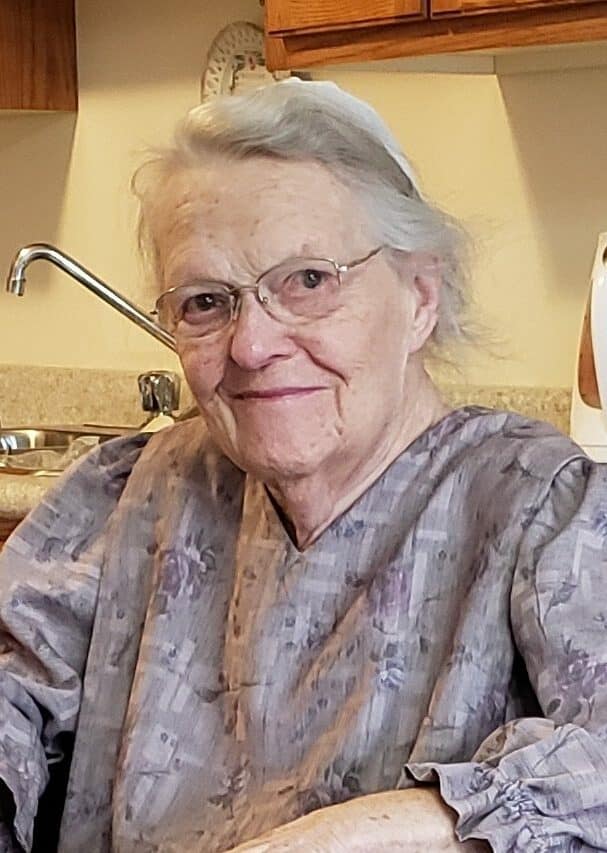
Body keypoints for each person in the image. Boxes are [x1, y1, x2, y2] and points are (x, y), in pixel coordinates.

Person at [1, 79, 606, 853]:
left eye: (309, 281)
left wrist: (354, 835)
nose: (252, 345)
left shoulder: (541, 509)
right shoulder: (130, 493)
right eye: (205, 302)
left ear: (419, 298)